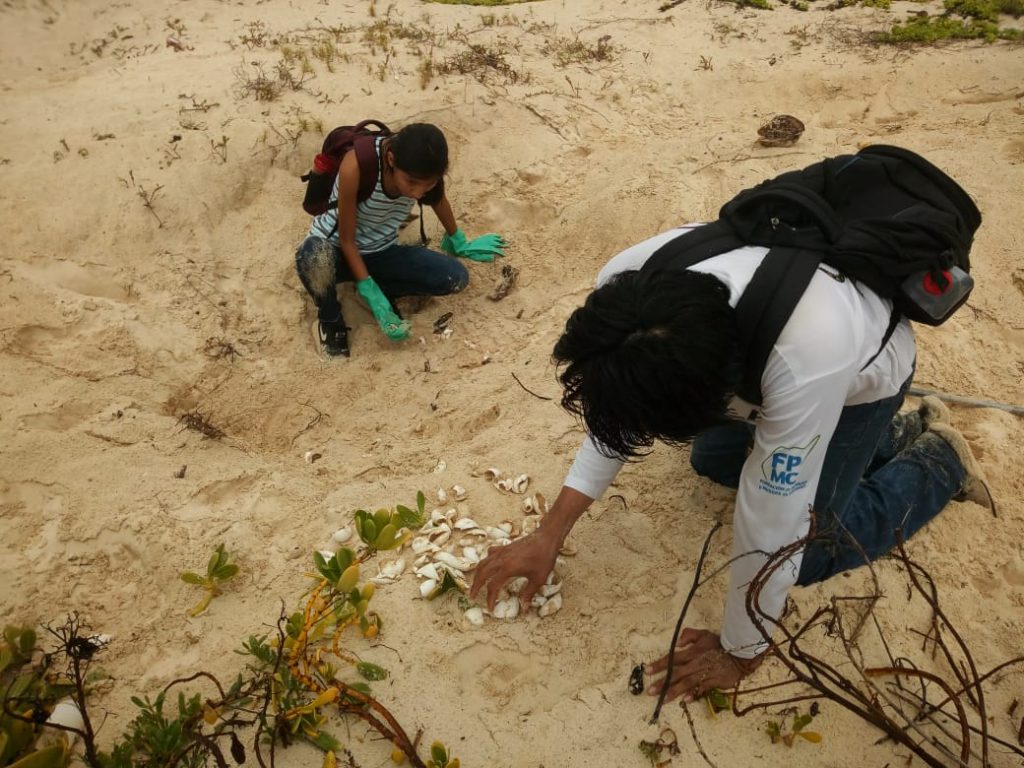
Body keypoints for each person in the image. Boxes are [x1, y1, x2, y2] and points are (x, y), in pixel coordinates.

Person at [470, 223, 993, 703]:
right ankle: (892, 436)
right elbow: (622, 408)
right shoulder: (626, 292)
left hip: (863, 378)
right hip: (765, 352)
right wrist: (550, 532)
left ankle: (940, 463)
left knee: (808, 553)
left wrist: (743, 651)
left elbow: (773, 524)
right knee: (713, 462)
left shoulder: (803, 363)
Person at [295, 122, 505, 357]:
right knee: (311, 255)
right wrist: (370, 293)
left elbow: (437, 199)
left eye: (428, 184)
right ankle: (330, 320)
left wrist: (458, 240)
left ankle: (382, 287)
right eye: (411, 183)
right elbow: (347, 241)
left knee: (455, 278)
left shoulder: (425, 169)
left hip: (381, 251)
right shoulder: (356, 167)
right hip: (338, 251)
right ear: (392, 160)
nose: (417, 193)